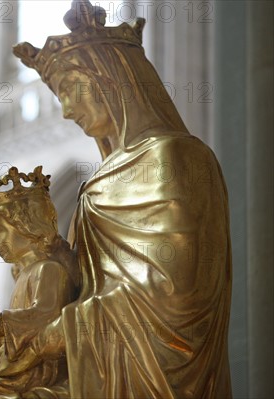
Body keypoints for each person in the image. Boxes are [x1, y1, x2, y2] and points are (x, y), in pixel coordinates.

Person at [13, 1, 232, 398]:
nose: (65, 111)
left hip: (159, 376)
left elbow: (178, 294)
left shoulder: (176, 157)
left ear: (109, 79)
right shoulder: (94, 185)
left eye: (67, 90)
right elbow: (85, 286)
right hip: (100, 369)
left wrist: (63, 331)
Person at [0, 166, 79, 399]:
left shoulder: (48, 270)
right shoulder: (23, 276)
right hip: (20, 369)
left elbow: (46, 316)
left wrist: (0, 323)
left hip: (43, 369)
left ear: (27, 225)